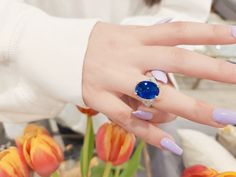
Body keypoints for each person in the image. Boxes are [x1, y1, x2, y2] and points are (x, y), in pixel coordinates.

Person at [1, 0, 236, 155]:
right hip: (22, 87)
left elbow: (179, 10)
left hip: (131, 100)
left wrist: (150, 63)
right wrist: (59, 45)